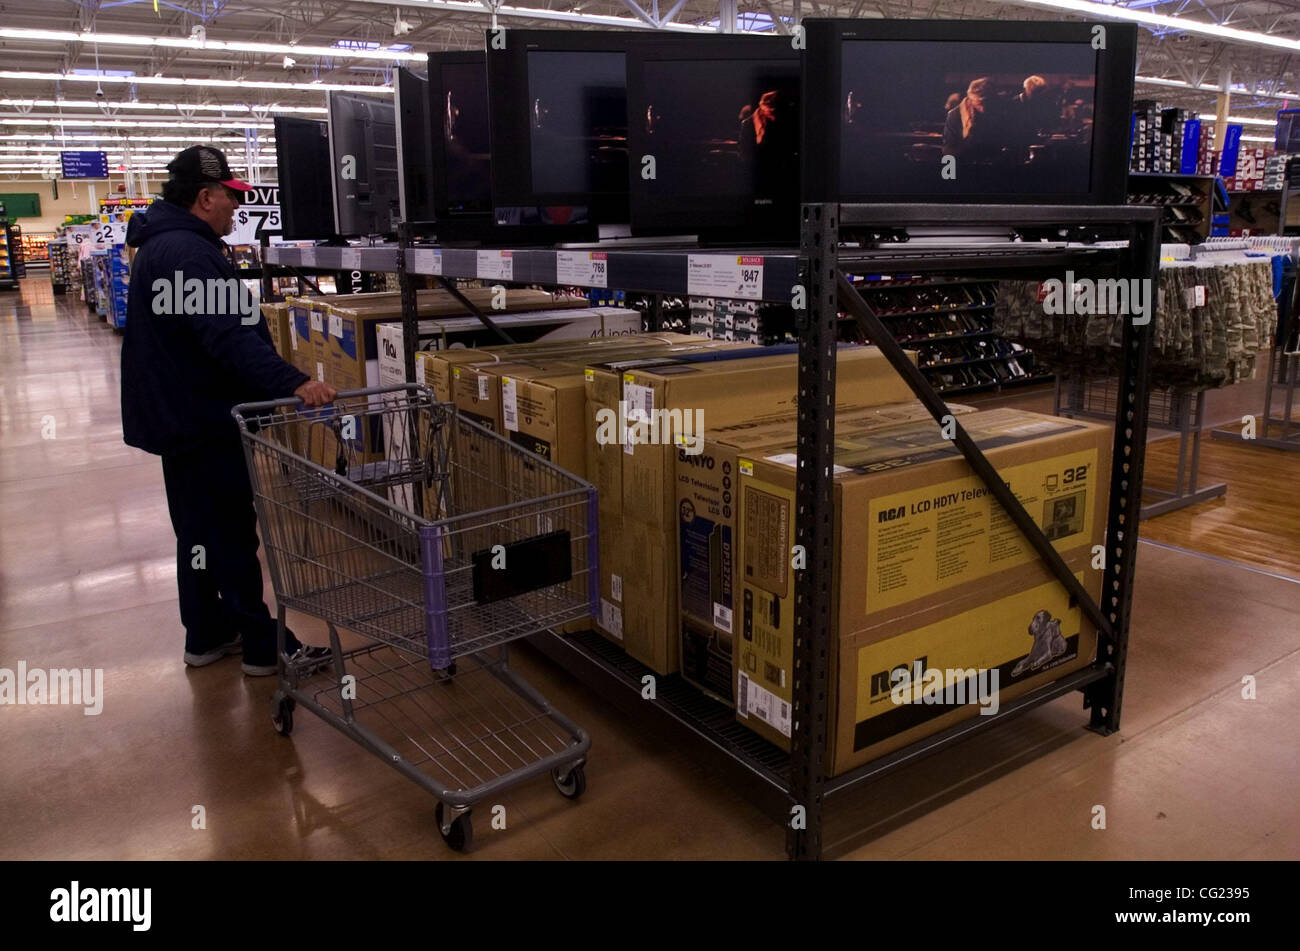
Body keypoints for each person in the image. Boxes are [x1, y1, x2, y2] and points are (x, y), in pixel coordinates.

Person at [120, 145, 337, 676]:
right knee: (232, 534)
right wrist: (296, 382)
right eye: (230, 200)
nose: (236, 211)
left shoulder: (159, 245)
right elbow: (230, 338)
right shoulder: (191, 255)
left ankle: (207, 631)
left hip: (178, 417)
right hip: (203, 418)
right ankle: (267, 650)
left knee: (196, 533)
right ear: (204, 197)